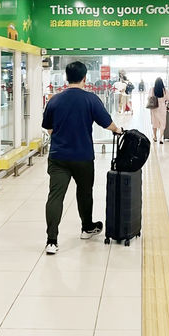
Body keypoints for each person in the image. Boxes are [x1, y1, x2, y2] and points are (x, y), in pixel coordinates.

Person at [42, 61, 122, 255]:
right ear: (85, 78)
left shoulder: (55, 100)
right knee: (85, 192)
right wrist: (118, 130)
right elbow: (107, 123)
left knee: (55, 197)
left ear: (66, 78)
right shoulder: (90, 99)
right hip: (83, 156)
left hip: (58, 156)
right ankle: (87, 228)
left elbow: (49, 128)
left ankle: (51, 241)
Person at [148, 77, 169, 144]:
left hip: (154, 107)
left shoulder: (152, 89)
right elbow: (168, 99)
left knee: (155, 122)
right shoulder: (165, 90)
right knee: (162, 123)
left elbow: (149, 97)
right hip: (162, 107)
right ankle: (161, 138)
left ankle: (155, 137)